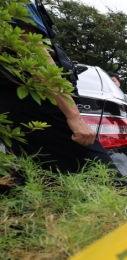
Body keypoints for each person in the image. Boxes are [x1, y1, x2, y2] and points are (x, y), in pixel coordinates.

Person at [0, 2, 115, 176]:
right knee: (107, 180)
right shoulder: (16, 3)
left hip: (15, 108)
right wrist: (74, 116)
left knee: (34, 183)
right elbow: (34, 54)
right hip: (33, 102)